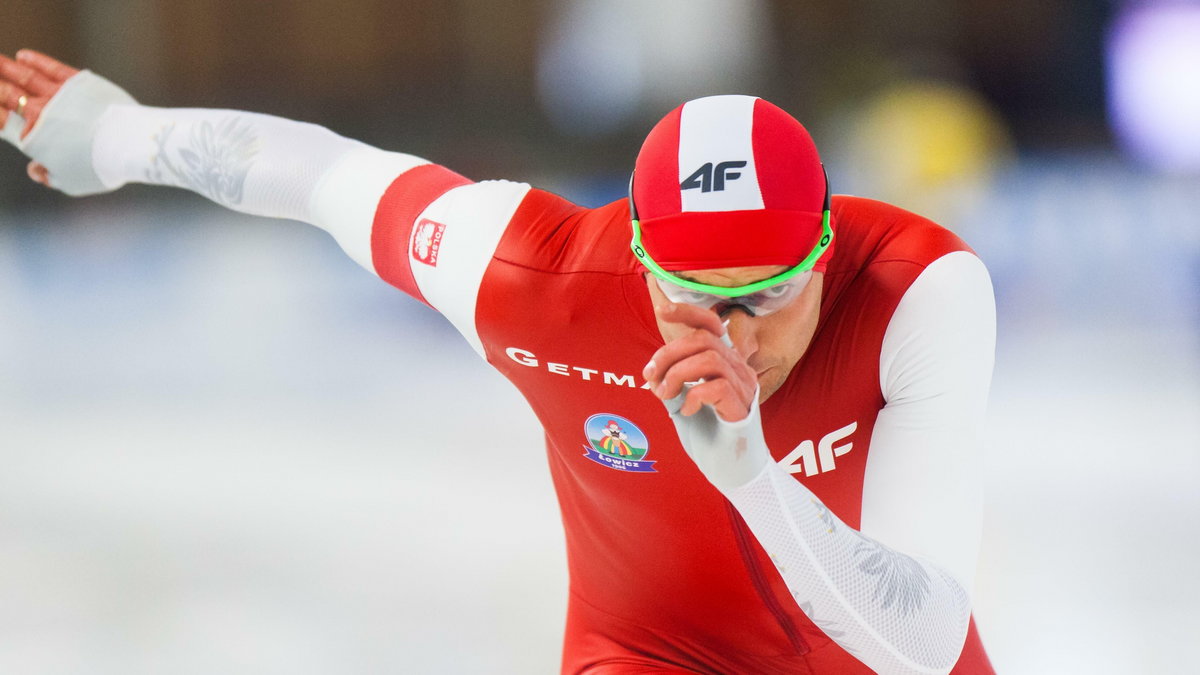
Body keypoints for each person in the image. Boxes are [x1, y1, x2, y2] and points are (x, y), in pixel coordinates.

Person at [0, 50, 997, 674]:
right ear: (635, 256)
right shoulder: (530, 274)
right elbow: (326, 175)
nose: (732, 340)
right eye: (689, 297)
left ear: (828, 250)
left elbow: (918, 646)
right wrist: (123, 136)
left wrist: (754, 481)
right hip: (650, 656)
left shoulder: (920, 291)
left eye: (770, 293)